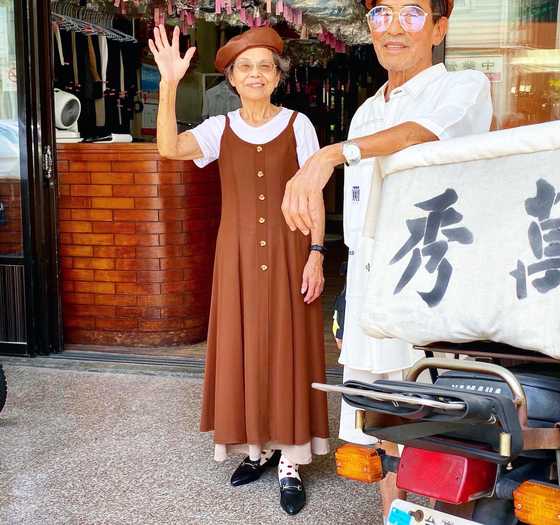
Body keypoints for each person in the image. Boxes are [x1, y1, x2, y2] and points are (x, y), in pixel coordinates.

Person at [281, 0, 493, 518]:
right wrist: (349, 297)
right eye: (382, 15)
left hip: (435, 284)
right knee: (381, 426)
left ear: (440, 27)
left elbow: (421, 134)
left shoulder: (463, 89)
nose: (394, 29)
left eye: (412, 14)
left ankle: (447, 516)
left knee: (440, 421)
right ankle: (392, 515)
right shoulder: (366, 111)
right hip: (373, 287)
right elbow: (362, 217)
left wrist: (331, 154)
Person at [148, 25, 329, 516]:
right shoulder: (218, 129)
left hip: (293, 252)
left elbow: (313, 194)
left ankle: (291, 460)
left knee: (288, 347)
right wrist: (168, 84)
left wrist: (317, 252)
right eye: (244, 68)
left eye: (264, 67)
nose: (255, 75)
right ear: (231, 78)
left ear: (277, 77)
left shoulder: (300, 125)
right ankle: (258, 449)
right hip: (238, 258)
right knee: (245, 346)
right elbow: (168, 148)